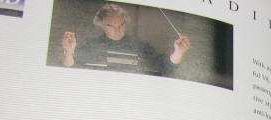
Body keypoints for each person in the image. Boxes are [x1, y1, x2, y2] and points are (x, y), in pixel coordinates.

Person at [61, 3, 191, 75]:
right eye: (111, 26)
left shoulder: (141, 46)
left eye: (121, 24)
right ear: (101, 25)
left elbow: (166, 67)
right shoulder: (91, 45)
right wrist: (68, 51)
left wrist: (178, 52)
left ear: (126, 22)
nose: (117, 30)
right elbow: (69, 69)